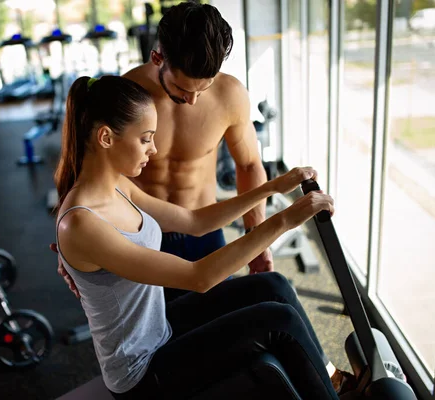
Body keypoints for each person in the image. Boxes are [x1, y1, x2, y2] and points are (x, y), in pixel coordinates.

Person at [53, 75, 355, 399]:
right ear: (106, 138)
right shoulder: (82, 224)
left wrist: (271, 187)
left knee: (275, 287)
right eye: (145, 139)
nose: (153, 150)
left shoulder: (117, 186)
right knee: (277, 322)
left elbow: (195, 221)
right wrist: (285, 220)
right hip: (139, 371)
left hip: (160, 328)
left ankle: (333, 383)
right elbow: (199, 277)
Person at [56, 1, 273, 303]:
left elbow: (249, 165)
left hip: (203, 230)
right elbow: (86, 168)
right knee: (160, 336)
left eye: (203, 88)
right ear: (157, 58)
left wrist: (256, 237)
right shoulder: (125, 95)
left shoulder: (230, 95)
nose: (194, 100)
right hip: (137, 236)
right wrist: (69, 247)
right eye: (183, 90)